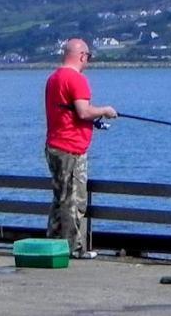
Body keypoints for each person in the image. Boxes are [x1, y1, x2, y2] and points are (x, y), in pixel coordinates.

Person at [43, 38, 116, 259]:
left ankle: (53, 244)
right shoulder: (77, 79)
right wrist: (104, 110)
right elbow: (83, 111)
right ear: (82, 55)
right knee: (74, 199)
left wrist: (92, 122)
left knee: (60, 198)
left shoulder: (54, 78)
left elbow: (69, 113)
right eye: (89, 57)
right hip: (70, 148)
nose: (88, 62)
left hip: (54, 145)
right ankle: (73, 248)